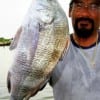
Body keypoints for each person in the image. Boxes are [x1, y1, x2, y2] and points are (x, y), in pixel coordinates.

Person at [48, 0, 100, 100]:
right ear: (70, 11)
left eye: (93, 6)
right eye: (79, 5)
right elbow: (28, 86)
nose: (85, 13)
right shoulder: (53, 49)